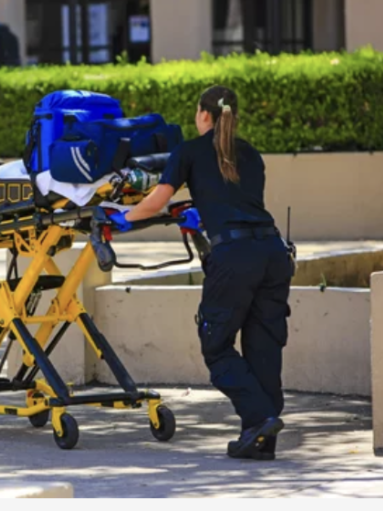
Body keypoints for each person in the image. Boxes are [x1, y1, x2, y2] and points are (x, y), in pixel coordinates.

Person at [110, 86, 293, 461]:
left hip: (235, 258)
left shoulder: (189, 151)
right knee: (264, 346)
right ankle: (261, 438)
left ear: (204, 115)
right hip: (273, 252)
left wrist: (120, 217)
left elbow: (156, 202)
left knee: (216, 346)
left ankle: (260, 418)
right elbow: (237, 202)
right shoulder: (251, 154)